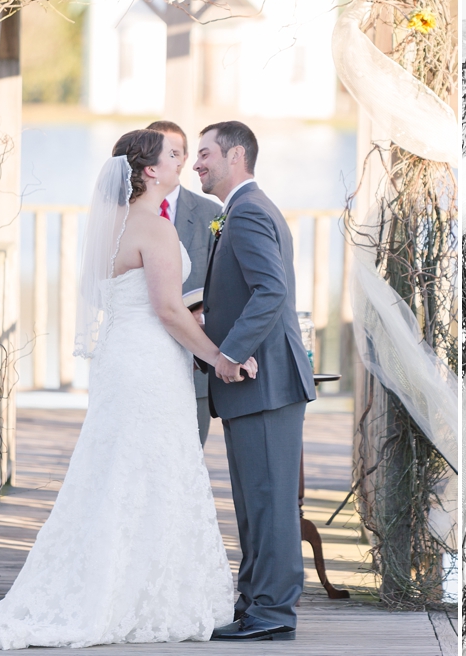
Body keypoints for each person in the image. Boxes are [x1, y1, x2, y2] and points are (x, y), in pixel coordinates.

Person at [0, 129, 260, 649]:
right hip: (151, 363)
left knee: (114, 470)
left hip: (120, 356)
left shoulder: (109, 225)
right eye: (173, 156)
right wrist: (219, 356)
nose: (183, 163)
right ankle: (141, 593)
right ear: (149, 171)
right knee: (155, 468)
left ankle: (112, 584)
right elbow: (170, 310)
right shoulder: (156, 227)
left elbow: (119, 297)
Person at [195, 121, 317, 643]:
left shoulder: (246, 213)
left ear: (235, 156)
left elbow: (271, 291)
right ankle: (255, 601)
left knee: (268, 502)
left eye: (204, 154)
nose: (197, 163)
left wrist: (229, 353)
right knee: (254, 501)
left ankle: (273, 611)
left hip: (262, 381)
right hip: (254, 385)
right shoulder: (242, 210)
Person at [146, 120, 222, 447]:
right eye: (162, 153)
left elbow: (223, 280)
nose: (172, 161)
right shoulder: (122, 217)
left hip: (195, 362)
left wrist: (203, 316)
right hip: (143, 358)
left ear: (185, 158)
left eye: (176, 153)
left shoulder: (211, 212)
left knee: (187, 460)